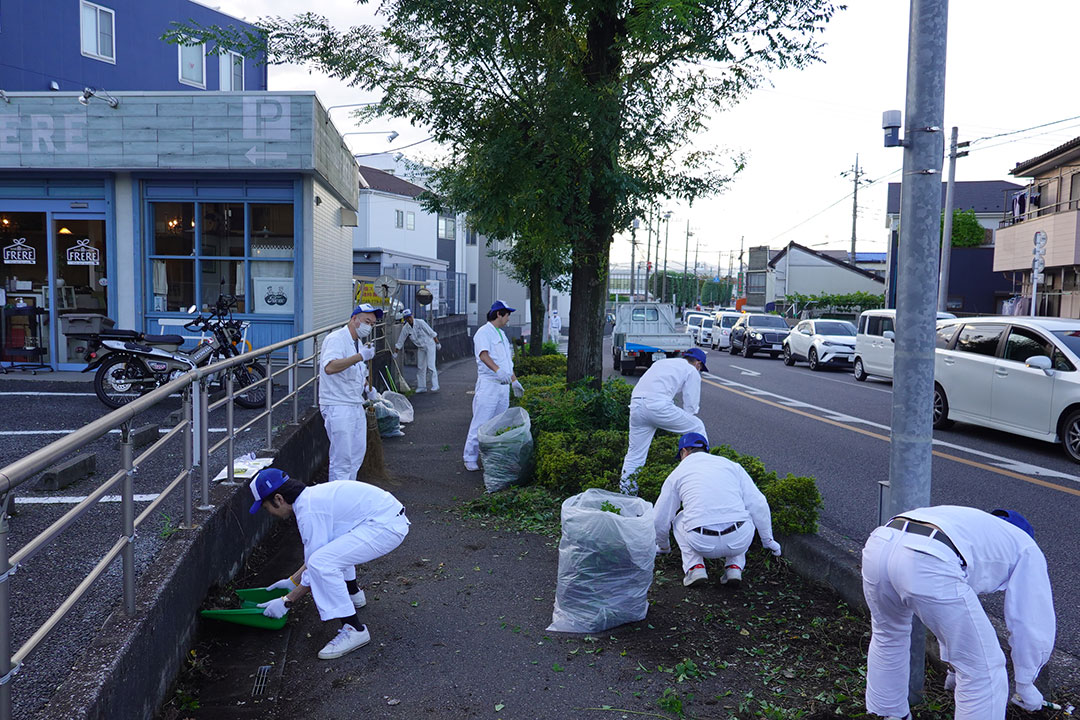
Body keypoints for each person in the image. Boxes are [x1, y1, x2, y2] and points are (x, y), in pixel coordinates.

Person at [861, 506, 1055, 720]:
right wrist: (1026, 685)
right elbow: (1031, 622)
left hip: (881, 543)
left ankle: (886, 714)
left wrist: (954, 669)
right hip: (929, 556)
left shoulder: (973, 528)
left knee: (888, 635)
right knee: (983, 669)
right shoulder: (1026, 546)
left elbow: (951, 612)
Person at [250, 468, 410, 660]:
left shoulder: (309, 512)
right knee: (329, 553)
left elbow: (318, 564)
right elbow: (318, 553)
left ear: (278, 499)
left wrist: (287, 601)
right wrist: (292, 580)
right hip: (384, 518)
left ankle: (354, 629)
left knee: (323, 563)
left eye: (266, 507)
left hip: (385, 526)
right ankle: (353, 594)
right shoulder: (311, 498)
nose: (269, 513)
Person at [654, 433, 781, 588]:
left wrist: (663, 546)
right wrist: (768, 541)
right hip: (738, 539)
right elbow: (759, 504)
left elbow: (660, 518)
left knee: (679, 518)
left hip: (701, 541)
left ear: (684, 452)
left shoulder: (677, 473)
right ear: (706, 450)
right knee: (742, 513)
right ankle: (734, 568)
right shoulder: (732, 466)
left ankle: (695, 568)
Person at [619, 348, 709, 495]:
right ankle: (699, 477)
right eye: (700, 368)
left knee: (635, 455)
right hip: (658, 406)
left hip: (636, 405)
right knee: (697, 426)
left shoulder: (662, 363)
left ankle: (627, 495)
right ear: (698, 363)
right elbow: (690, 407)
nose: (699, 370)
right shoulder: (691, 371)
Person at [319, 303, 381, 482]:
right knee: (342, 459)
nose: (369, 327)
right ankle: (337, 502)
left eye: (372, 324)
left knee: (355, 457)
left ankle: (348, 494)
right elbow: (330, 367)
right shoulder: (336, 339)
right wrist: (360, 357)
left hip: (354, 404)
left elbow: (357, 372)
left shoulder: (358, 343)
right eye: (367, 321)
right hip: (338, 405)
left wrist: (368, 388)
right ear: (354, 319)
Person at [463, 300, 523, 472]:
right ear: (499, 314)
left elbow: (506, 364)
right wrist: (497, 371)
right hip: (489, 385)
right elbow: (483, 355)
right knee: (481, 422)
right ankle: (470, 457)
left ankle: (490, 458)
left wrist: (514, 380)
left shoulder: (501, 334)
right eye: (507, 314)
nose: (509, 318)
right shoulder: (484, 332)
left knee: (498, 425)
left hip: (503, 386)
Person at [392, 308, 440, 393]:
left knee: (431, 365)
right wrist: (396, 352)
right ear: (405, 319)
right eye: (407, 318)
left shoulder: (420, 322)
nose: (409, 319)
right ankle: (422, 386)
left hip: (429, 345)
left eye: (410, 317)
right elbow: (400, 341)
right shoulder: (406, 328)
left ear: (412, 315)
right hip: (420, 347)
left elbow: (431, 332)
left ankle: (435, 385)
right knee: (420, 367)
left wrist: (437, 343)